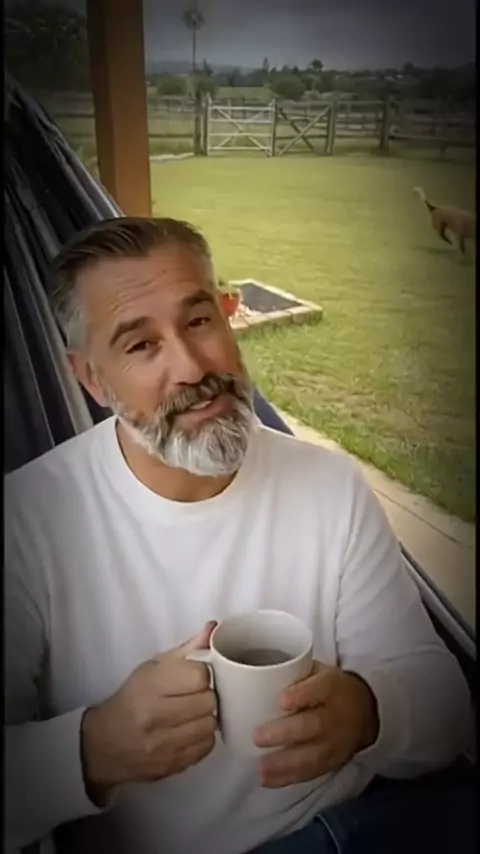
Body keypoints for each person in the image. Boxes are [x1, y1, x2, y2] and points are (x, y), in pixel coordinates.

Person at [4, 217, 473, 854]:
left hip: (349, 830)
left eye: (199, 321)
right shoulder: (26, 521)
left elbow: (446, 706)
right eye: (142, 345)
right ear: (92, 378)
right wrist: (92, 749)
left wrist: (368, 712)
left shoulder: (329, 484)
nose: (192, 367)